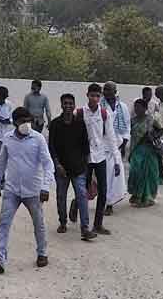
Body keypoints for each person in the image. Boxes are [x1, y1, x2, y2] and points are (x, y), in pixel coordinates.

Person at [0, 107, 54, 274]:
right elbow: (1, 162)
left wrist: (46, 187)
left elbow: (48, 164)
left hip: (34, 190)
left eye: (28, 120)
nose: (27, 124)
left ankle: (42, 253)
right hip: (12, 189)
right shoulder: (8, 138)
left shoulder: (38, 139)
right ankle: (0, 259)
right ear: (15, 122)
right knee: (3, 223)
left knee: (38, 223)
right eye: (23, 121)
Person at [47, 93, 94, 240]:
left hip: (78, 168)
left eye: (70, 103)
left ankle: (85, 228)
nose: (68, 106)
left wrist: (86, 167)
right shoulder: (55, 124)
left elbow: (86, 146)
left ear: (74, 105)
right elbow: (51, 147)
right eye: (65, 103)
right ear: (61, 105)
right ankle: (63, 222)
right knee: (61, 197)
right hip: (61, 169)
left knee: (82, 196)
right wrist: (57, 164)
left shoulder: (80, 123)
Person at [76, 83, 116, 236]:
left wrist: (117, 160)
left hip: (100, 156)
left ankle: (98, 224)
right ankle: (75, 206)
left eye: (97, 96)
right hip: (84, 157)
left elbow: (111, 137)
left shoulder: (105, 114)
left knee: (103, 191)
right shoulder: (79, 112)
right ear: (87, 95)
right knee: (83, 189)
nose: (95, 98)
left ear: (100, 97)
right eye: (92, 95)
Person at [100, 82, 130, 215]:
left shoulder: (122, 107)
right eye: (104, 89)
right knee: (101, 177)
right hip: (101, 147)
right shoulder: (99, 106)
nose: (106, 92)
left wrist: (123, 146)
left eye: (109, 89)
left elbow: (127, 127)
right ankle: (79, 202)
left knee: (115, 176)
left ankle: (109, 203)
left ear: (115, 91)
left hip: (116, 147)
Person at [127, 98, 163, 208]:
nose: (137, 109)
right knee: (135, 172)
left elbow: (161, 130)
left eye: (139, 107)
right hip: (135, 150)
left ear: (145, 108)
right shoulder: (132, 120)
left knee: (148, 173)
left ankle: (147, 197)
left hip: (148, 150)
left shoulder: (151, 119)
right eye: (135, 107)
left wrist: (153, 136)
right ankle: (136, 195)